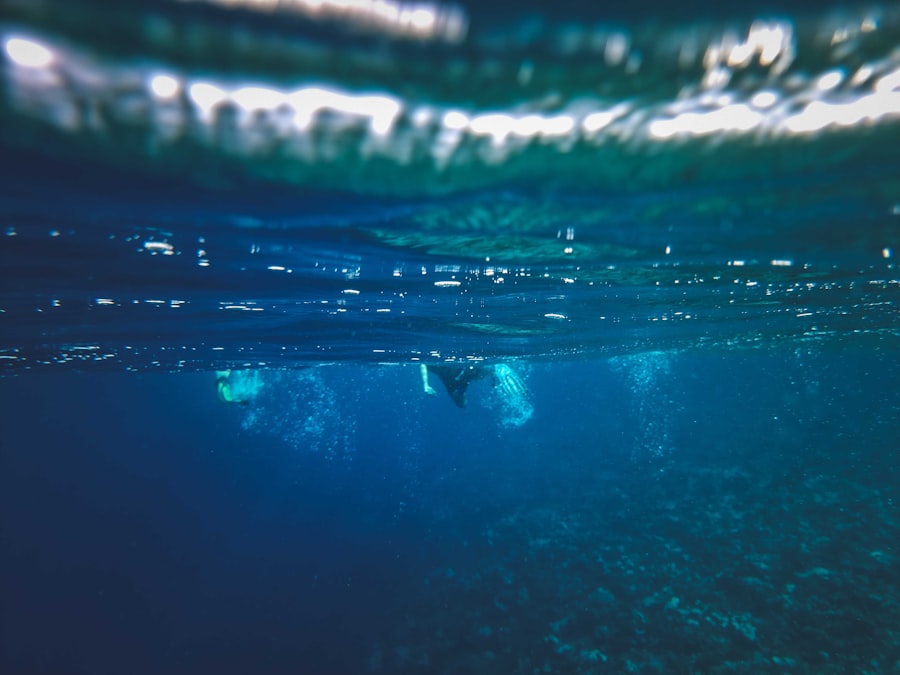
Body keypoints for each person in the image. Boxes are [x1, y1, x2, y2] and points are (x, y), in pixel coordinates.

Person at [420, 362, 526, 408]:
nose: (481, 379)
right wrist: (426, 385)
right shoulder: (441, 370)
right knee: (461, 403)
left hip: (463, 374)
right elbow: (424, 363)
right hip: (456, 379)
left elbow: (424, 363)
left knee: (475, 370)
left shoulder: (465, 369)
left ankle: (496, 369)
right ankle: (495, 371)